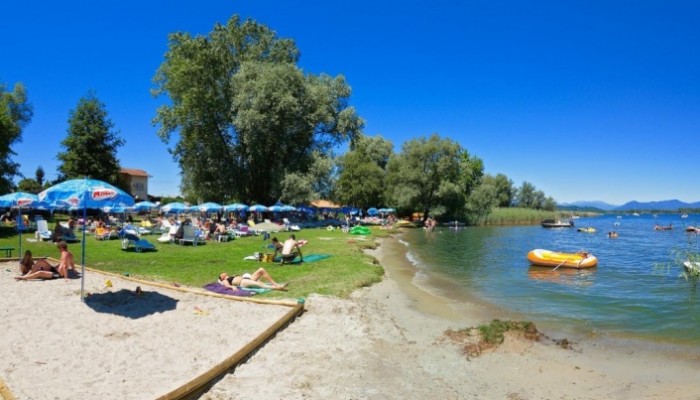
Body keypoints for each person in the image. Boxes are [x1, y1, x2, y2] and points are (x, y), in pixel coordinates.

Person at [218, 268, 287, 290]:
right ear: (222, 278)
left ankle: (275, 284)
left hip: (247, 278)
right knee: (258, 283)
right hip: (242, 282)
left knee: (261, 270)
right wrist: (232, 287)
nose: (223, 272)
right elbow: (226, 285)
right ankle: (275, 288)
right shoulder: (225, 280)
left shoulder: (232, 276)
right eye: (221, 274)